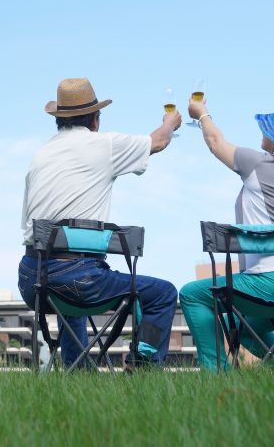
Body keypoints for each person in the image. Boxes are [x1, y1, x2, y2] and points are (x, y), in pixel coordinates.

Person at [18, 77, 182, 368]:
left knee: (73, 295)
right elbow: (158, 141)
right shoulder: (103, 145)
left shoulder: (39, 156)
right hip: (79, 280)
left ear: (59, 120)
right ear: (95, 118)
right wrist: (170, 121)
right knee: (163, 293)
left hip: (33, 279)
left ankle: (77, 371)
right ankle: (144, 367)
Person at [179, 98, 274, 370]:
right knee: (243, 327)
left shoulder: (259, 164)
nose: (264, 131)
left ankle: (215, 378)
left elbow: (216, 143)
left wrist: (201, 114)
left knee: (192, 294)